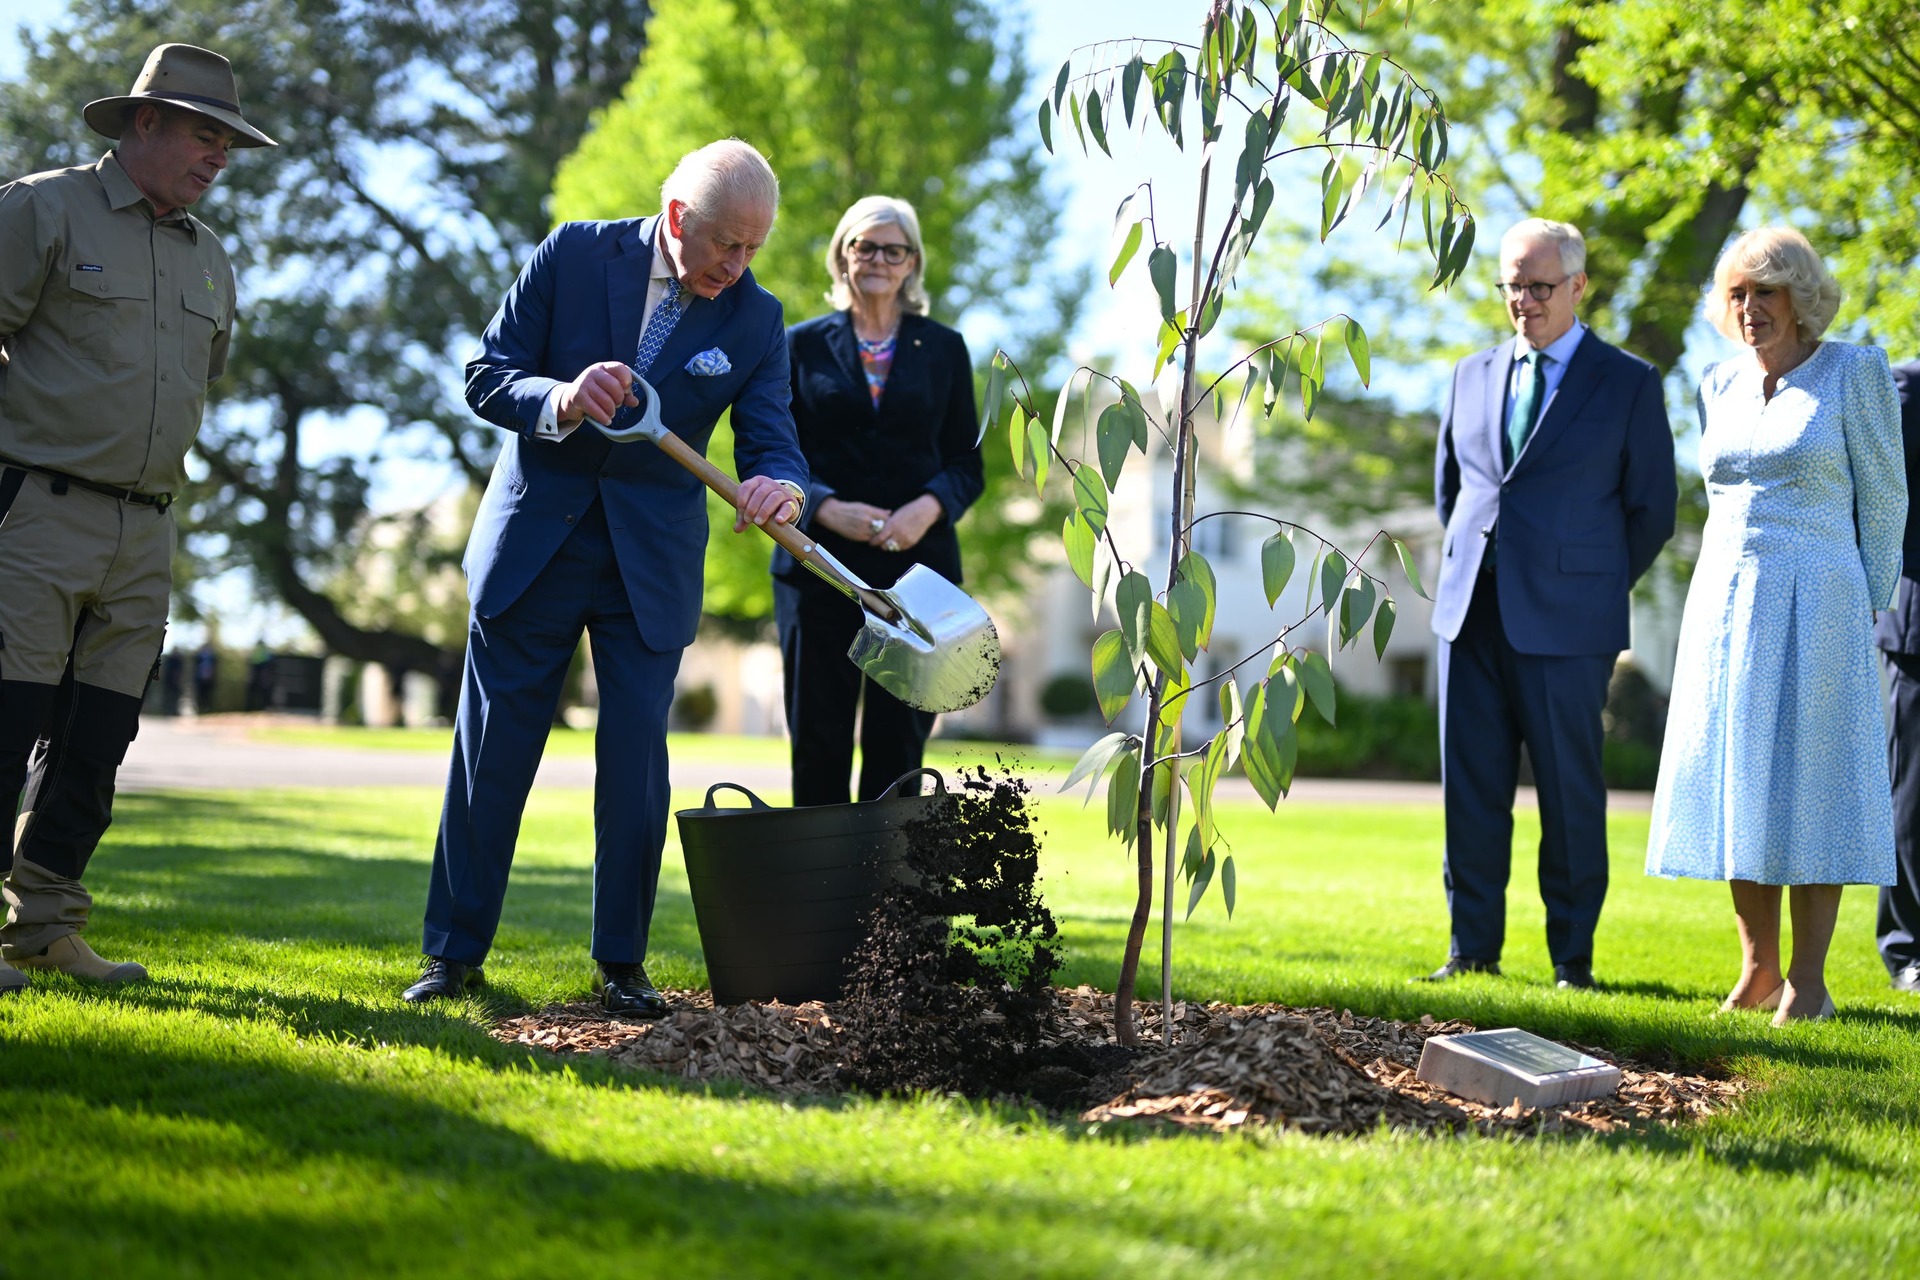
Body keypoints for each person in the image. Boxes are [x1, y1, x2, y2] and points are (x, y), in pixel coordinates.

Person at [405, 140, 809, 1015]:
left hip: (648, 568)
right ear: (675, 220)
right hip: (534, 551)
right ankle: (452, 954)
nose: (737, 267)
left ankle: (622, 962)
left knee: (636, 765)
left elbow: (772, 436)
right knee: (490, 759)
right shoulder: (573, 253)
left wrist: (785, 484)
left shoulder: (755, 316)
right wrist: (557, 397)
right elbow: (486, 375)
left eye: (754, 249)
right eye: (725, 246)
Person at [0, 44, 275, 997]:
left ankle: (44, 926)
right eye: (206, 134)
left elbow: (196, 385)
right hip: (34, 511)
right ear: (143, 123)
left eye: (228, 142)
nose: (219, 156)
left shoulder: (211, 258)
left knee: (98, 739)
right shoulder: (39, 207)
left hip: (146, 530)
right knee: (6, 722)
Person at [1649, 228, 1906, 1024]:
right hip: (1724, 603)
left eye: (1767, 291)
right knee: (1738, 780)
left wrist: (1870, 595)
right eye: (1738, 294)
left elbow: (1887, 499)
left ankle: (1812, 983)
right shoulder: (1717, 383)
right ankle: (1757, 969)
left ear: (1802, 297)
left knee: (1812, 787)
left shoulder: (1853, 372)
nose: (1751, 308)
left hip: (1823, 600)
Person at [1425, 218, 1677, 990]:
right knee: (1470, 793)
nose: (1523, 301)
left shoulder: (1627, 381)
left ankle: (1573, 960)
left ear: (1578, 286)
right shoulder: (1470, 374)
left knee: (1569, 798)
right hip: (1471, 614)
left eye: (1539, 286)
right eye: (1511, 286)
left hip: (1570, 626)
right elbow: (1452, 494)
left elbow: (1652, 510)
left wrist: (1589, 587)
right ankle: (1472, 953)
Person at [775, 196, 983, 805]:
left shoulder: (944, 348)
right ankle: (815, 895)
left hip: (918, 575)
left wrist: (928, 506)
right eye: (864, 246)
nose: (878, 260)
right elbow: (769, 446)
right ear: (842, 254)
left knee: (899, 745)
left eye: (894, 250)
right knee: (819, 738)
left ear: (912, 262)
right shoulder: (797, 344)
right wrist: (820, 505)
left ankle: (889, 897)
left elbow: (966, 463)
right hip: (818, 567)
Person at [1876, 360, 1920, 995]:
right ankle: (1907, 948)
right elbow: (1881, 497)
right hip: (1917, 631)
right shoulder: (1906, 386)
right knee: (1912, 797)